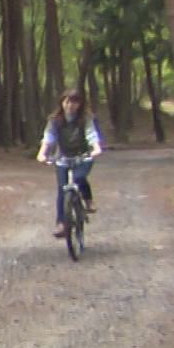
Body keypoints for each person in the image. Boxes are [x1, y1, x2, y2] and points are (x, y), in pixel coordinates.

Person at [35, 88, 103, 238]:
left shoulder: (86, 118)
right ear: (62, 103)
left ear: (80, 104)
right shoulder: (55, 120)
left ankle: (88, 199)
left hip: (83, 156)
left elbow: (91, 134)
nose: (70, 105)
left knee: (79, 178)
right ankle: (61, 223)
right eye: (67, 102)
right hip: (62, 158)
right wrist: (42, 153)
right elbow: (49, 137)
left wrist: (96, 148)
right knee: (62, 189)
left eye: (74, 102)